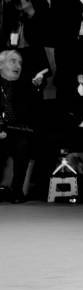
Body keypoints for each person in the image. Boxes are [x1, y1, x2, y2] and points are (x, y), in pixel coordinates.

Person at [0, 50, 43, 203]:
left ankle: (17, 191)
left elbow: (34, 112)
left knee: (23, 143)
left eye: (20, 63)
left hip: (15, 131)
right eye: (13, 61)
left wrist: (36, 88)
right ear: (0, 65)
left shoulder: (24, 86)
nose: (18, 65)